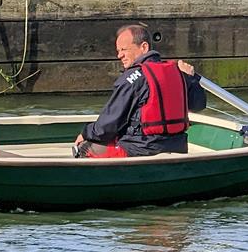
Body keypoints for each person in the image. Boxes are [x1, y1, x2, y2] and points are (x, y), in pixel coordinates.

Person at [73, 24, 206, 158]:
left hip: (140, 149)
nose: (119, 55)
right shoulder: (178, 72)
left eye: (124, 49)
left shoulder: (133, 78)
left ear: (144, 47)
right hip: (178, 147)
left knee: (84, 147)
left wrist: (85, 133)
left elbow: (107, 126)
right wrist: (191, 78)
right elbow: (199, 104)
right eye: (118, 51)